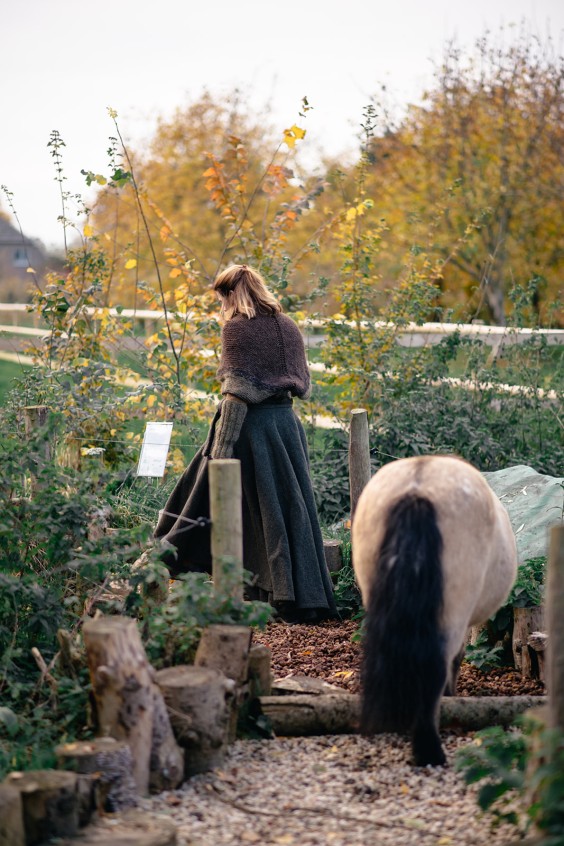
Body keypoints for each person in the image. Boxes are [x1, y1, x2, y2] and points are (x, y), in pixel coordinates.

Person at [154, 264, 336, 623]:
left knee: (226, 500)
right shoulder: (288, 326)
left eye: (221, 297)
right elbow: (302, 383)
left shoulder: (237, 330)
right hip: (286, 426)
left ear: (231, 294)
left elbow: (236, 395)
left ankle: (171, 561)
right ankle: (292, 594)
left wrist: (220, 451)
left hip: (251, 428)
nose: (220, 304)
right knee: (282, 509)